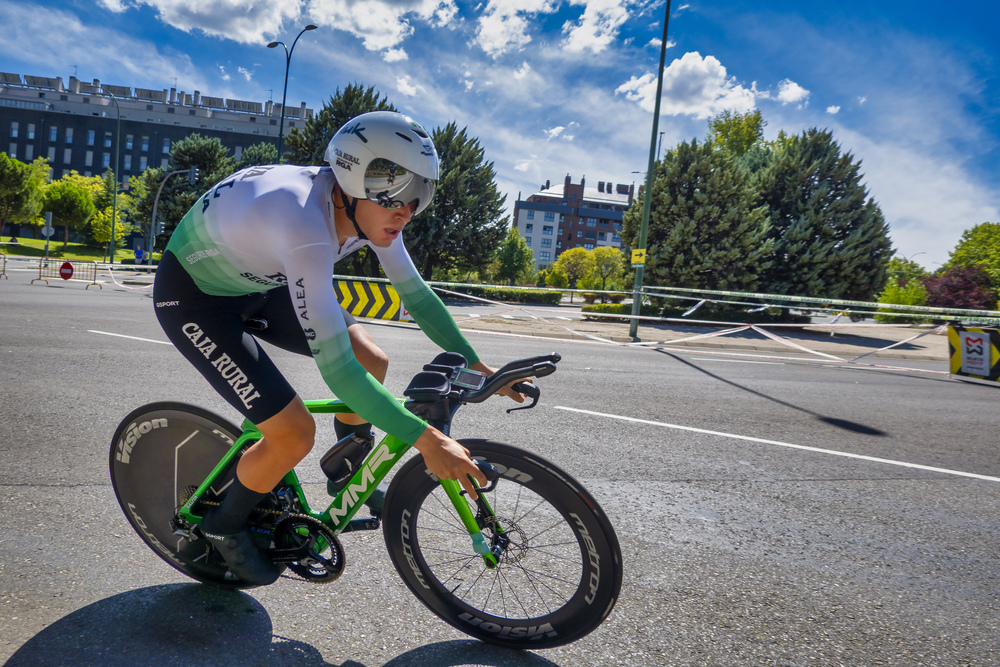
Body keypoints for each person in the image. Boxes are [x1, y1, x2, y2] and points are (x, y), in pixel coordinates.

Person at [153, 111, 523, 585]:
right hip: (196, 298)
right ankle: (222, 525)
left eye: (420, 194)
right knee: (292, 433)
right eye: (398, 192)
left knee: (374, 357)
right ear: (353, 178)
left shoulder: (370, 213)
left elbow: (417, 298)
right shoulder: (305, 224)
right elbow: (339, 372)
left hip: (263, 279)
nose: (407, 209)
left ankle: (345, 467)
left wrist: (479, 366)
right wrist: (429, 442)